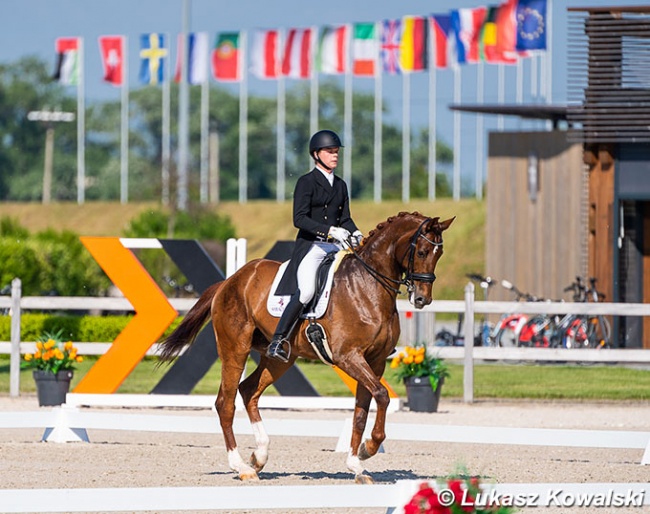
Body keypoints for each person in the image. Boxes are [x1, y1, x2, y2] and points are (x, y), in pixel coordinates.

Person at [266, 129, 363, 362]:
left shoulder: (340, 185)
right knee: (307, 290)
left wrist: (356, 232)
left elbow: (345, 218)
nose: (335, 155)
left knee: (357, 280)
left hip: (336, 247)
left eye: (336, 151)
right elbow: (299, 219)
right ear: (316, 154)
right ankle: (278, 340)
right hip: (312, 246)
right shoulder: (306, 182)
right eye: (330, 151)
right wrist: (329, 230)